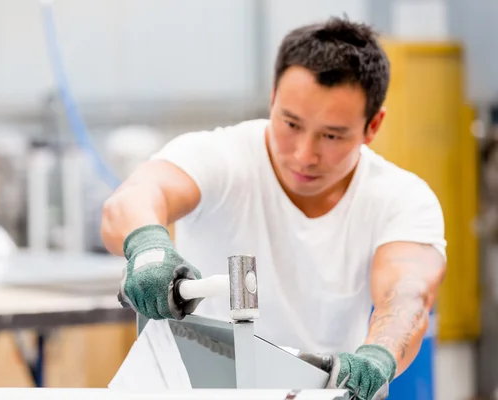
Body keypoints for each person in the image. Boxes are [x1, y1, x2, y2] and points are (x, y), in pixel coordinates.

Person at [101, 16, 446, 400]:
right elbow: (135, 197)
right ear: (273, 99)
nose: (304, 155)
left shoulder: (401, 198)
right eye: (291, 123)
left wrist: (378, 356)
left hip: (324, 393)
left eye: (332, 135)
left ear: (373, 126)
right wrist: (148, 246)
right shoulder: (222, 158)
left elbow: (408, 293)